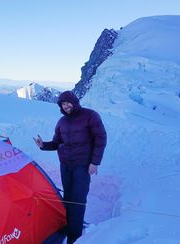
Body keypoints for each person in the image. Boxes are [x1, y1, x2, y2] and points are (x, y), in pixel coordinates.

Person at [34, 91, 107, 244]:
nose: (66, 106)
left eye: (68, 102)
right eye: (62, 104)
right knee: (68, 197)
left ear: (74, 101)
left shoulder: (90, 116)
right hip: (66, 165)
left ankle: (75, 235)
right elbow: (56, 143)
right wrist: (44, 145)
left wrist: (95, 162)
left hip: (82, 165)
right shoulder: (62, 122)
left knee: (78, 199)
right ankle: (68, 225)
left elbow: (100, 138)